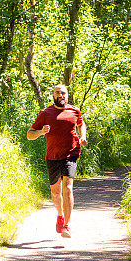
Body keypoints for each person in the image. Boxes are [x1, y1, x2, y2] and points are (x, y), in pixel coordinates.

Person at [27, 84, 87, 238]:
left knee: (67, 188)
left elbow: (81, 124)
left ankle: (66, 225)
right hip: (52, 156)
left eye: (63, 93)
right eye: (57, 93)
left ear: (67, 95)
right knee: (55, 193)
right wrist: (41, 132)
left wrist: (83, 136)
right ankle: (60, 215)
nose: (61, 95)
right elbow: (29, 134)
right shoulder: (45, 113)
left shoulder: (74, 110)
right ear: (53, 95)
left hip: (71, 153)